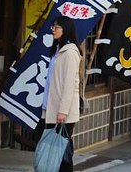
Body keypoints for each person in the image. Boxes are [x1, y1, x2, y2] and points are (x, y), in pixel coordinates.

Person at [41, 16, 81, 172]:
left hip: (63, 111)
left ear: (66, 30)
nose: (53, 30)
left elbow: (69, 84)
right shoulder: (58, 50)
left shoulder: (70, 52)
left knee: (62, 151)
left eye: (56, 27)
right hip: (52, 108)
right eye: (53, 27)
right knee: (54, 149)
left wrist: (63, 111)